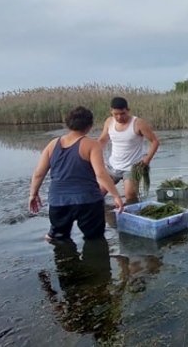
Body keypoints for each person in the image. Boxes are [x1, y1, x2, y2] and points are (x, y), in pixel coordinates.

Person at [29, 106, 124, 241]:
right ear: (89, 125)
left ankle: (65, 259)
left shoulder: (52, 144)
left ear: (68, 124)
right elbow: (101, 174)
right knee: (95, 239)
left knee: (57, 237)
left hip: (58, 201)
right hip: (88, 201)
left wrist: (33, 194)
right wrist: (116, 196)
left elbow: (39, 173)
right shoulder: (92, 145)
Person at [38, 237, 122, 342]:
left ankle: (54, 236)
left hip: (75, 280)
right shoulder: (111, 313)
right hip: (86, 277)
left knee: (63, 240)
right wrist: (47, 286)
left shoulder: (76, 325)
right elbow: (55, 305)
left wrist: (46, 285)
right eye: (116, 326)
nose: (117, 323)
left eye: (116, 326)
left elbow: (56, 305)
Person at [97, 97, 161, 203]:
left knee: (130, 195)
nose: (119, 117)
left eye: (122, 113)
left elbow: (155, 141)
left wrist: (147, 159)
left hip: (132, 167)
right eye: (115, 114)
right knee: (98, 194)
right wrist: (93, 153)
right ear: (111, 111)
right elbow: (103, 139)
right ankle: (107, 215)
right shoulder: (109, 122)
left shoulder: (138, 123)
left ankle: (132, 214)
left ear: (128, 110)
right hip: (113, 165)